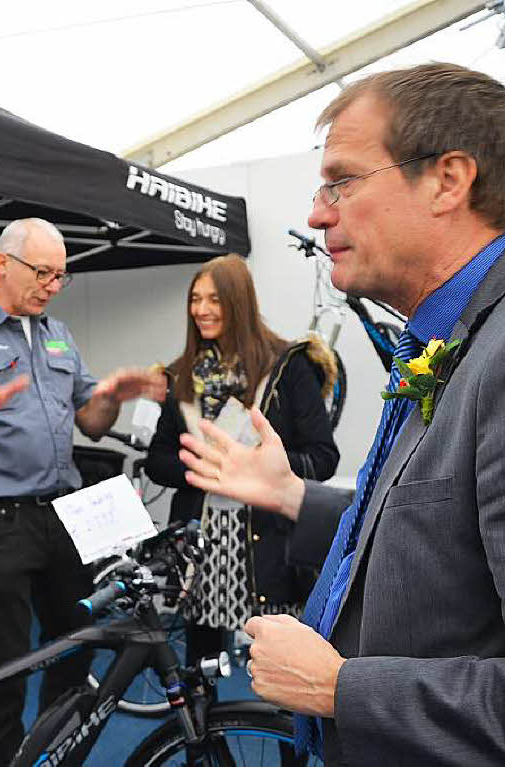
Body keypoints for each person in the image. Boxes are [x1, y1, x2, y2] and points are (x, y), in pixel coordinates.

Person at [177, 63, 505, 765]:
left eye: (341, 181)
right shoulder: (447, 337)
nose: (318, 213)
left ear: (449, 180)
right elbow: (436, 530)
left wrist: (339, 688)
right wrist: (288, 493)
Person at [0, 217, 166, 767]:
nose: (52, 285)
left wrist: (113, 396)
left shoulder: (58, 333)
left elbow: (92, 423)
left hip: (64, 516)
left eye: (61, 276)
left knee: (76, 645)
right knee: (4, 666)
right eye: (43, 272)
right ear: (3, 264)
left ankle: (52, 755)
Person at [144, 254, 338, 667]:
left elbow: (323, 457)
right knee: (200, 671)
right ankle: (201, 736)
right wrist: (203, 471)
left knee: (284, 672)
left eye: (214, 299)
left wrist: (259, 469)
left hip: (268, 547)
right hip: (202, 548)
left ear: (239, 302)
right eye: (195, 299)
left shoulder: (289, 366)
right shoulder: (182, 375)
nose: (201, 310)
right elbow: (156, 460)